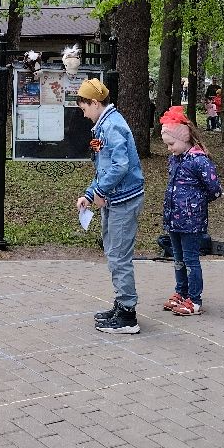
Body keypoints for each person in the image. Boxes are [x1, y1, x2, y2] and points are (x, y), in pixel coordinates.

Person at [76, 79, 145, 334]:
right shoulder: (104, 124)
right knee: (113, 252)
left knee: (119, 255)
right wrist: (90, 193)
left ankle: (128, 315)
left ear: (95, 103)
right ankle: (121, 303)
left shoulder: (112, 126)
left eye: (84, 108)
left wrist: (100, 191)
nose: (83, 114)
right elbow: (103, 166)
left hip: (123, 200)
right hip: (114, 199)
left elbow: (119, 166)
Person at [159, 107, 223, 317]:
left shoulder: (199, 160)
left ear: (184, 139)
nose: (169, 148)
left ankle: (194, 300)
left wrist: (195, 204)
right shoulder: (176, 159)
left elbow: (214, 188)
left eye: (171, 144)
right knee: (177, 258)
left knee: (190, 260)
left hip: (191, 221)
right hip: (174, 220)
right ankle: (181, 292)